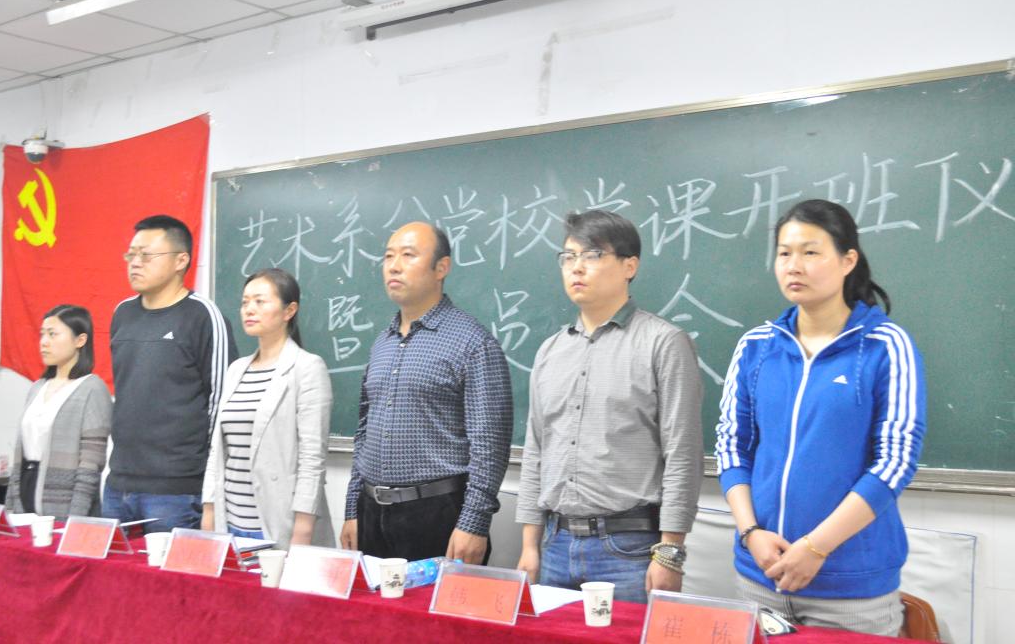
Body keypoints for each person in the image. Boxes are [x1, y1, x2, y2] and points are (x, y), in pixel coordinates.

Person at [715, 199, 926, 636]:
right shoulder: (757, 346)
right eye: (784, 253)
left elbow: (894, 461)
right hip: (761, 576)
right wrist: (751, 532)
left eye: (810, 252)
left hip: (850, 591)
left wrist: (816, 547)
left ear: (848, 260)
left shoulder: (886, 345)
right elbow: (732, 446)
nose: (794, 265)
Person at [515, 210, 704, 604]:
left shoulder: (664, 343)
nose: (576, 267)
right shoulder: (550, 351)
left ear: (629, 266)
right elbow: (536, 451)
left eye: (593, 255)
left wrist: (670, 553)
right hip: (554, 545)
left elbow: (682, 454)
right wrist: (530, 545)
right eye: (568, 257)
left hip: (629, 550)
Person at [340, 222, 513, 564]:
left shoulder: (472, 342)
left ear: (441, 267)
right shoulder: (382, 343)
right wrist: (352, 508)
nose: (394, 266)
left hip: (437, 514)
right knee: (371, 602)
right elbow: (363, 433)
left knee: (436, 603)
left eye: (408, 255)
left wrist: (474, 523)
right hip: (371, 511)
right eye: (388, 256)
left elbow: (490, 445)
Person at [104, 215, 237, 533]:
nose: (135, 263)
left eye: (146, 255)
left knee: (170, 568)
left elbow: (222, 405)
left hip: (176, 490)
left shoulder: (203, 316)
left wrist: (207, 486)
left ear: (181, 261)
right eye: (131, 254)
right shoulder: (123, 313)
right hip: (118, 484)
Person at [201, 268, 334, 549]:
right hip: (230, 521)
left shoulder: (306, 368)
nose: (249, 309)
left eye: (260, 301)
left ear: (289, 310)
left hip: (277, 522)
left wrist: (302, 530)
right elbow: (218, 451)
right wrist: (209, 511)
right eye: (245, 302)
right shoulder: (236, 370)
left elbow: (312, 459)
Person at [5, 305, 112, 519]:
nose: (44, 342)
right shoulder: (37, 387)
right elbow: (20, 453)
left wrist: (76, 518)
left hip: (63, 502)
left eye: (53, 334)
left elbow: (90, 466)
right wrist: (10, 506)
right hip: (25, 491)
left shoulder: (92, 388)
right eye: (42, 334)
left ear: (80, 340)